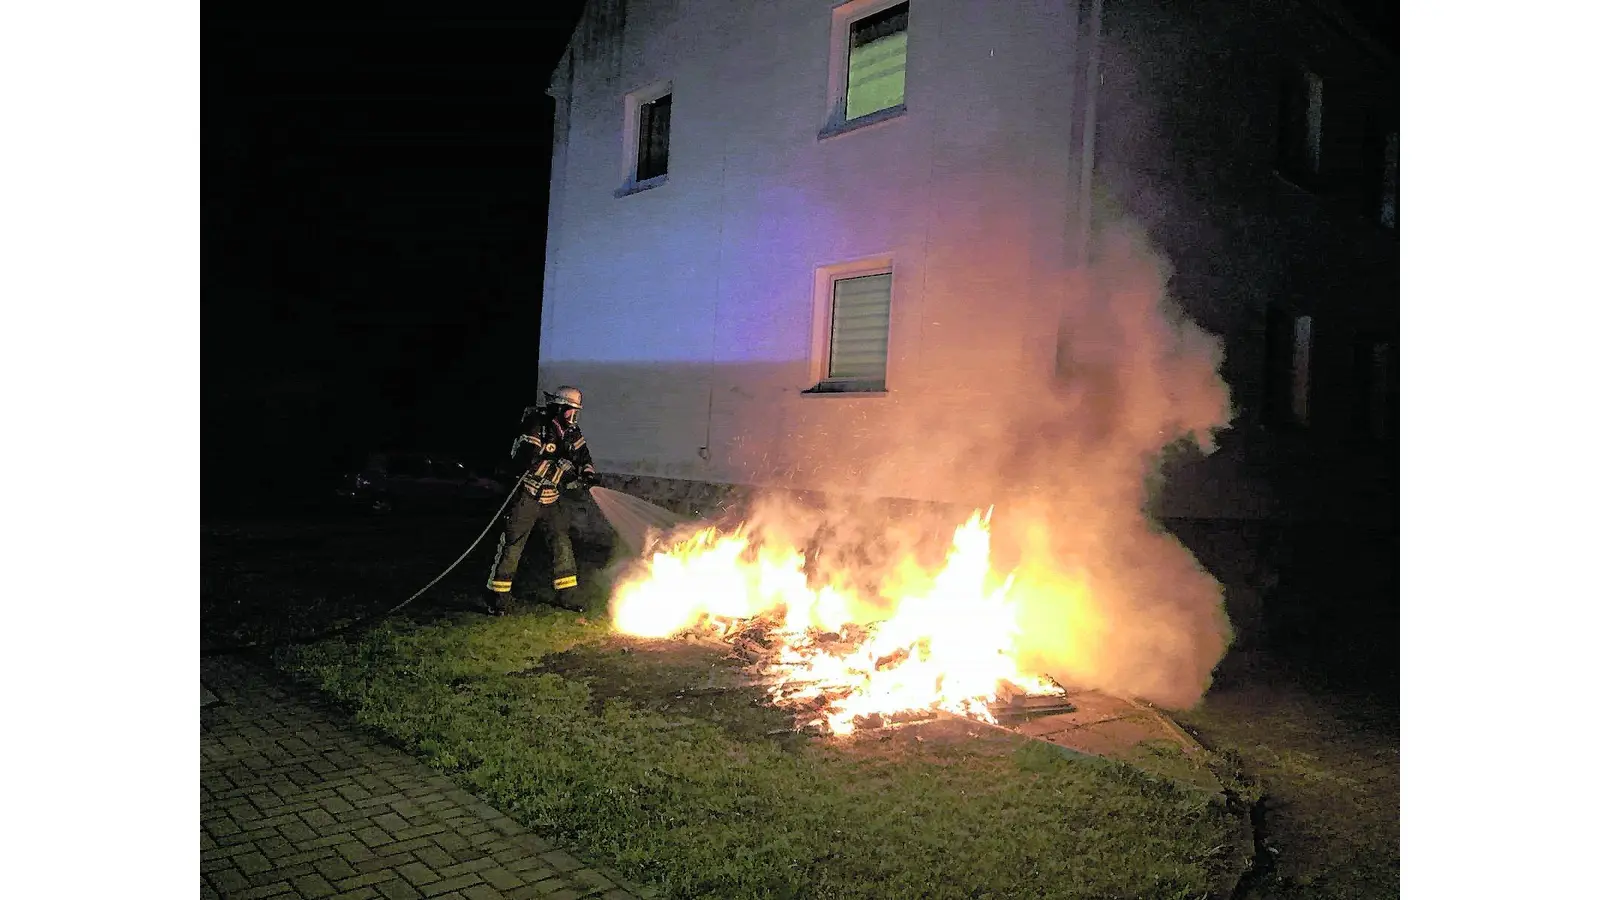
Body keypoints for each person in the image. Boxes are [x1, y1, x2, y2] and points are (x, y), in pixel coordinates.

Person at [485, 385, 598, 614]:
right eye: (571, 410)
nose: (574, 416)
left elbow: (583, 455)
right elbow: (527, 461)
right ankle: (498, 598)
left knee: (561, 543)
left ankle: (567, 595)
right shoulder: (537, 425)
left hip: (551, 497)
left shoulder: (571, 432)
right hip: (527, 494)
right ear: (559, 408)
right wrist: (562, 474)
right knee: (513, 544)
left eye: (576, 411)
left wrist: (588, 473)